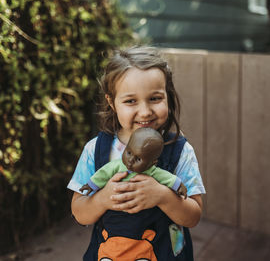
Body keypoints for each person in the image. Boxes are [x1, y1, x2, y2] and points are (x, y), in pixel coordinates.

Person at [67, 45, 206, 260]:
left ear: (167, 97)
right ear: (111, 102)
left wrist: (162, 196)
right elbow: (79, 212)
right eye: (131, 101)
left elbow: (193, 216)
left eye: (155, 98)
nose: (145, 111)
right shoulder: (95, 150)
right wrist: (102, 199)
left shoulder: (180, 151)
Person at [79, 127, 188, 198]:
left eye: (139, 159)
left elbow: (167, 178)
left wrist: (178, 186)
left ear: (152, 163)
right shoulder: (117, 165)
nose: (130, 160)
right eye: (129, 152)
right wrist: (91, 185)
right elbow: (103, 174)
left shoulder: (153, 172)